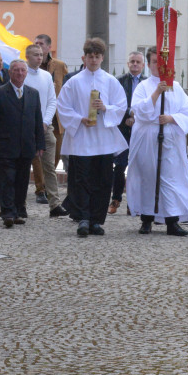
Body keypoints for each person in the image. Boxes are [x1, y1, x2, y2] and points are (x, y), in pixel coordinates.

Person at [56, 38, 128, 237]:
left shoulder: (110, 81)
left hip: (103, 140)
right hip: (82, 140)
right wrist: (80, 119)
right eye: (90, 57)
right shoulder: (74, 82)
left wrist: (105, 108)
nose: (94, 60)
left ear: (102, 58)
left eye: (97, 57)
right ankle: (84, 218)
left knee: (103, 181)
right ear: (84, 58)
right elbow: (62, 106)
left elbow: (121, 106)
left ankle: (97, 220)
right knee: (82, 180)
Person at [126, 47, 188, 236]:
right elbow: (139, 110)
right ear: (149, 64)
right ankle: (147, 219)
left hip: (170, 139)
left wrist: (171, 118)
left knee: (170, 178)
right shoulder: (143, 87)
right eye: (154, 62)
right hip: (148, 138)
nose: (158, 65)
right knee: (149, 176)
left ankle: (172, 221)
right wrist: (156, 92)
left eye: (161, 61)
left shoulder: (176, 87)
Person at [0, 60, 45, 228]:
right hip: (4, 146)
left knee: (22, 181)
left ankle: (19, 211)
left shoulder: (33, 93)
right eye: (16, 70)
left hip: (26, 146)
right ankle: (8, 213)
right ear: (10, 73)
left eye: (22, 70)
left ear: (26, 73)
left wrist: (40, 144)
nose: (19, 73)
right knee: (7, 180)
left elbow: (38, 121)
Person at [23, 44, 64, 218]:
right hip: (25, 128)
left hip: (45, 127)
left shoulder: (47, 76)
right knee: (23, 166)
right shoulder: (21, 74)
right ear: (27, 56)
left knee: (49, 166)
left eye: (41, 55)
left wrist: (45, 122)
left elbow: (52, 101)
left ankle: (54, 204)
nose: (39, 58)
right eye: (35, 55)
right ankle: (20, 204)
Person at [32, 34, 67, 204]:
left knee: (56, 152)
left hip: (56, 116)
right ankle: (40, 189)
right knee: (37, 155)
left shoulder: (59, 66)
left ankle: (47, 184)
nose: (38, 46)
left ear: (48, 47)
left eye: (41, 44)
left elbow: (66, 88)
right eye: (35, 44)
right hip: (37, 116)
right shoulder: (29, 67)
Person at [110, 51, 147, 214]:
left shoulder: (147, 84)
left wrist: (137, 118)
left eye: (138, 62)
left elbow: (149, 105)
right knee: (120, 165)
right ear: (127, 63)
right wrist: (127, 116)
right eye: (132, 61)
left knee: (139, 166)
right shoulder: (119, 81)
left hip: (142, 130)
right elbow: (115, 102)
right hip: (123, 129)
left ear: (143, 65)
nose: (135, 64)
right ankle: (115, 199)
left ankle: (134, 203)